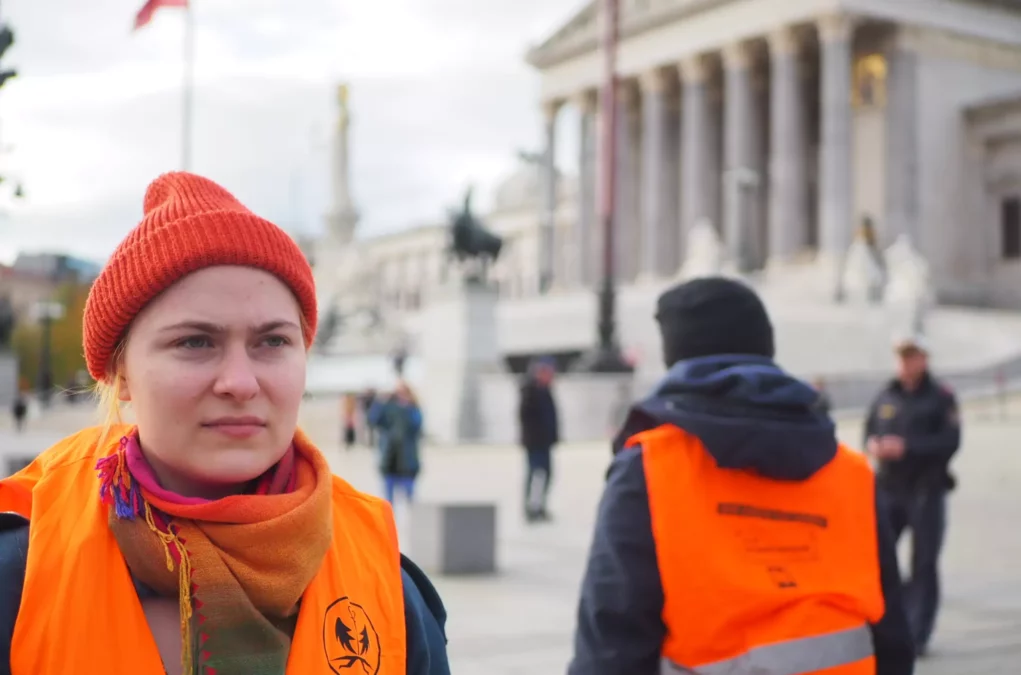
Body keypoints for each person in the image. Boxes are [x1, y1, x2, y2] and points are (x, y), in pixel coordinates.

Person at [0, 172, 449, 675]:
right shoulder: (19, 573)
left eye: (272, 341)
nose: (240, 382)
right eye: (195, 341)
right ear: (121, 373)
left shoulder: (387, 582)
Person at [568, 277, 915, 675]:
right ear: (766, 348)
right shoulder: (849, 473)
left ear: (674, 356)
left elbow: (611, 644)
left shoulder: (649, 469)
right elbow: (893, 641)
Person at [864, 335, 960, 657]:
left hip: (925, 490)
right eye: (902, 358)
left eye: (912, 357)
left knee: (924, 563)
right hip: (889, 488)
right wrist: (875, 446)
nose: (906, 364)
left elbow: (949, 441)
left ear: (924, 359)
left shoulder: (940, 397)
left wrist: (907, 448)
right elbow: (869, 430)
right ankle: (883, 625)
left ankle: (917, 635)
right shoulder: (886, 394)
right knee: (877, 555)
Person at [517, 357, 559, 523]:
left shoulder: (546, 391)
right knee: (535, 474)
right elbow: (525, 419)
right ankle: (531, 507)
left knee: (547, 474)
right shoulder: (530, 392)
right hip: (535, 443)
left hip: (546, 442)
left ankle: (540, 506)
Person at [369, 381, 423, 505]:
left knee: (410, 498)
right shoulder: (388, 408)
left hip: (407, 460)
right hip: (389, 458)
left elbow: (417, 425)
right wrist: (380, 402)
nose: (400, 396)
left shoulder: (413, 408)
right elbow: (373, 420)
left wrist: (408, 406)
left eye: (403, 393)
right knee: (388, 501)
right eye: (397, 393)